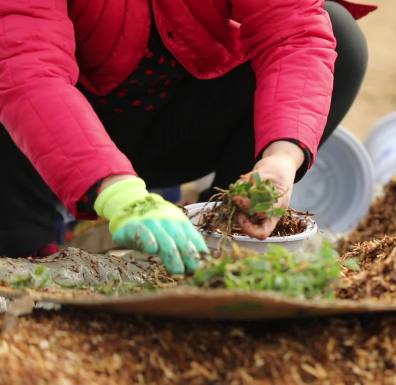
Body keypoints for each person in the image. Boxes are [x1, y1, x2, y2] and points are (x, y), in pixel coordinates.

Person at [0, 0, 375, 274]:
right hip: (54, 138)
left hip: (170, 116)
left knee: (338, 35)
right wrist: (118, 192)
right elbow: (28, 70)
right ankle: (33, 254)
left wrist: (281, 156)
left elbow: (294, 34)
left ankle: (221, 241)